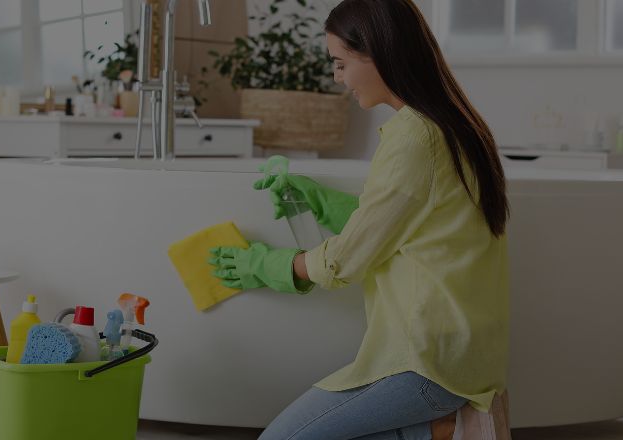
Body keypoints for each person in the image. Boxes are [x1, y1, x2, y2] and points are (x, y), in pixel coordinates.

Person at [208, 0, 510, 438]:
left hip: (426, 364)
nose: (338, 78)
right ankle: (438, 431)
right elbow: (406, 225)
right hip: (463, 357)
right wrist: (322, 201)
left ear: (380, 53)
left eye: (341, 63)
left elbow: (345, 262)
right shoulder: (455, 124)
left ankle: (441, 428)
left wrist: (268, 265)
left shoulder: (414, 137)